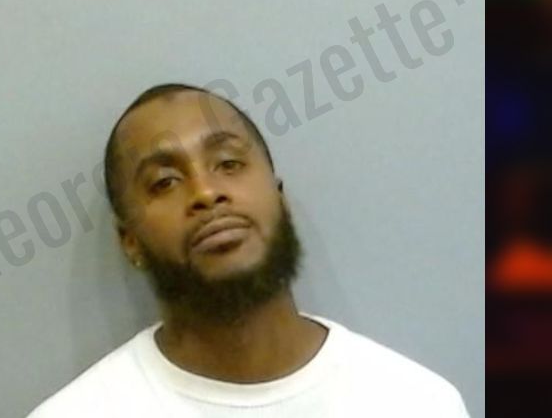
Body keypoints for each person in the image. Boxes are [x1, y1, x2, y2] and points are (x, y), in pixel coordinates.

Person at [28, 83, 470, 417]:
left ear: (280, 198)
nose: (206, 193)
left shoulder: (416, 403)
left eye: (228, 163)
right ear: (131, 242)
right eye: (165, 182)